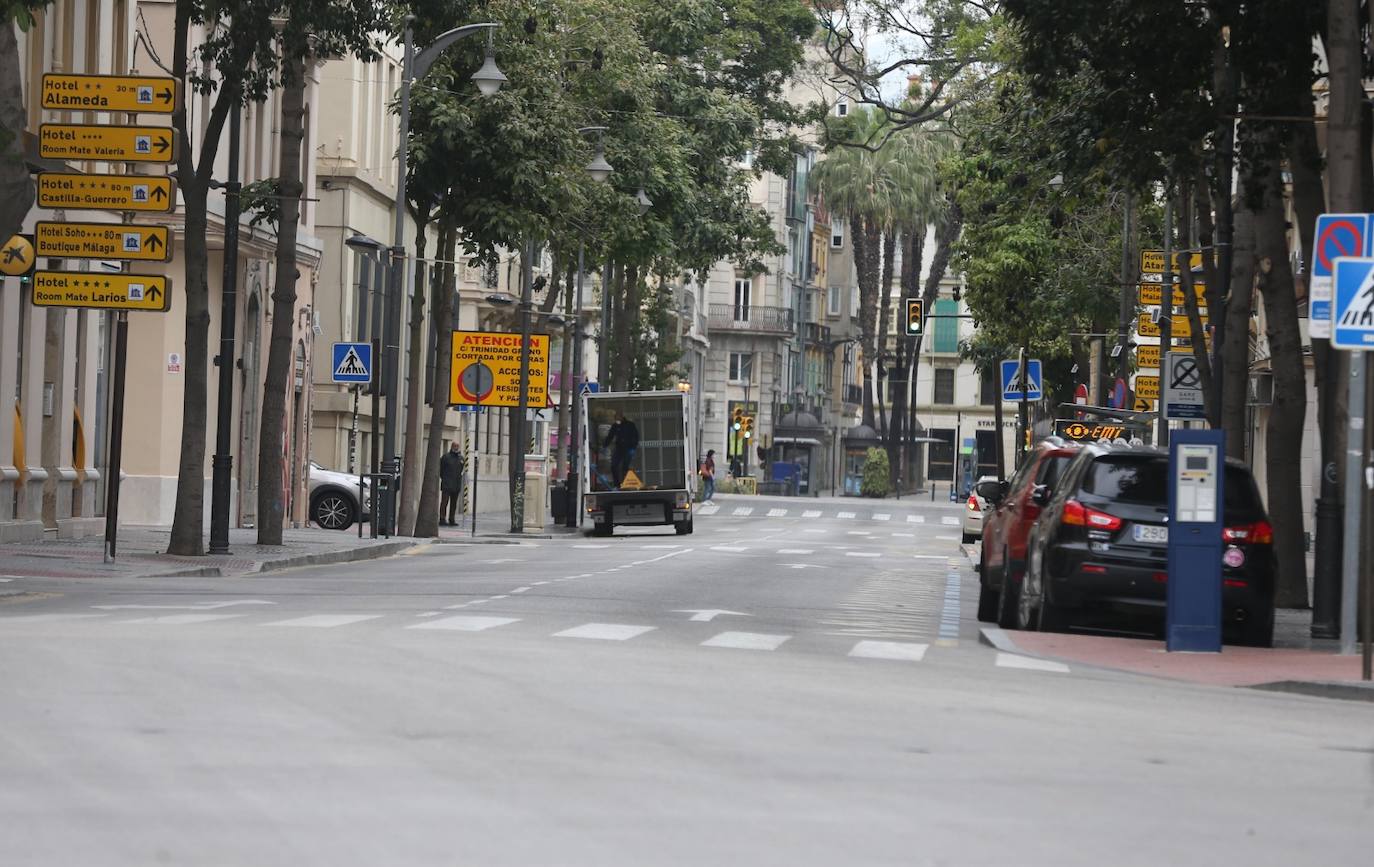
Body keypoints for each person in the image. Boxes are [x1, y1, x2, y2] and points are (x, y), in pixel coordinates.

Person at [603, 409, 639, 487]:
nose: (616, 420)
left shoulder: (630, 425)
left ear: (621, 417)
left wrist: (633, 447)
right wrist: (605, 445)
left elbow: (636, 436)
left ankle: (625, 484)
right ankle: (617, 484)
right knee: (614, 466)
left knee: (625, 467)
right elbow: (610, 436)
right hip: (619, 448)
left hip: (629, 448)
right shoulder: (615, 426)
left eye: (617, 418)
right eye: (615, 418)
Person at [439, 441, 465, 526]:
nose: (456, 447)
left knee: (454, 504)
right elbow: (441, 470)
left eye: (457, 446)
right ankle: (442, 519)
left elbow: (462, 470)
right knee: (444, 503)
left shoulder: (461, 458)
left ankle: (452, 519)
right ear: (452, 446)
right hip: (447, 484)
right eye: (455, 446)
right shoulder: (446, 457)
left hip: (456, 485)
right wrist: (445, 478)